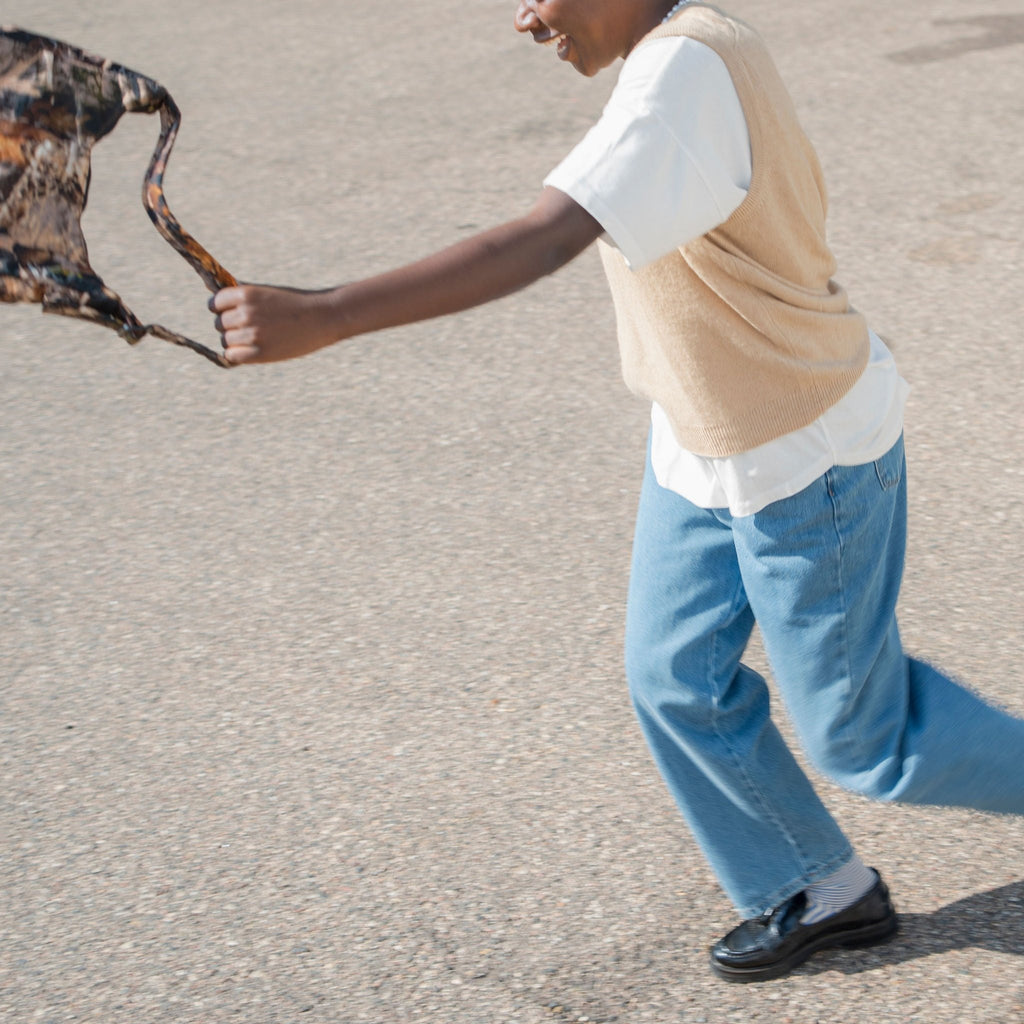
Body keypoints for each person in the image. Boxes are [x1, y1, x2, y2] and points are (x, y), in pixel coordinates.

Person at [211, 0, 1024, 983]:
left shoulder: (683, 75)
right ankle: (822, 885)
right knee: (673, 679)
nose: (522, 18)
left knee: (863, 736)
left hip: (804, 456)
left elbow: (538, 238)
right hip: (698, 437)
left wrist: (327, 315)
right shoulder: (668, 55)